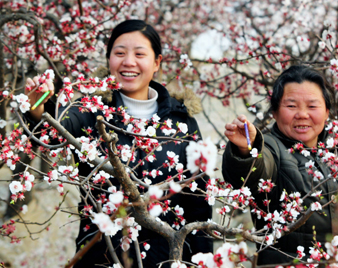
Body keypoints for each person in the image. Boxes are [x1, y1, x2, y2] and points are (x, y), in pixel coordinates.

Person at [25, 20, 212, 267]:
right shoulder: (89, 113)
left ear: (157, 63)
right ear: (109, 59)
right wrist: (38, 109)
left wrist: (202, 259)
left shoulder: (183, 123)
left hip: (167, 257)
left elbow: (199, 204)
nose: (129, 62)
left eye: (140, 54)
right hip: (101, 254)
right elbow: (52, 135)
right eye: (120, 53)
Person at [222, 65, 338, 265]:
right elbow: (254, 173)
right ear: (274, 112)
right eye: (291, 106)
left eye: (312, 106)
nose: (302, 114)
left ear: (327, 112)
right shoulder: (272, 148)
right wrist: (247, 151)